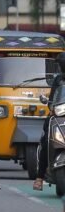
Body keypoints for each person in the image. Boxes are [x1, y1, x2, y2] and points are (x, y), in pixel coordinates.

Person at [34, 52, 65, 190]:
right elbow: (52, 100)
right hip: (59, 115)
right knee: (46, 140)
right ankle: (39, 177)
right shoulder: (58, 80)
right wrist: (52, 106)